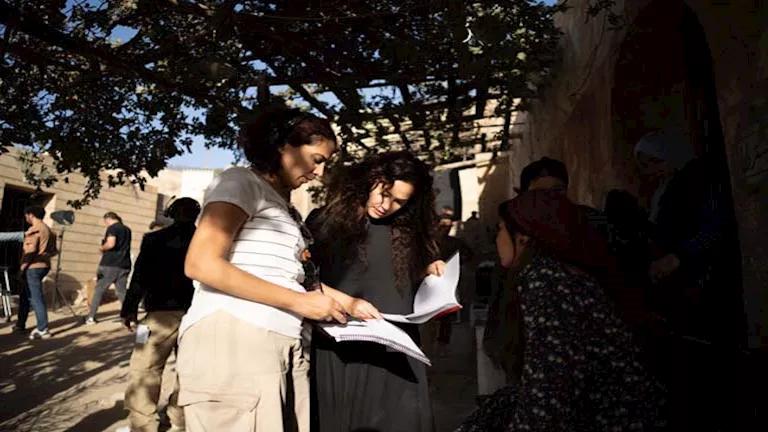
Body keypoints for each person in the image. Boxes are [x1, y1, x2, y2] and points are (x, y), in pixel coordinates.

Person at [176, 107, 376, 432]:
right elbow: (201, 263)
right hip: (236, 340)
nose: (320, 172)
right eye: (316, 159)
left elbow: (286, 276)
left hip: (282, 341)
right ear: (282, 145)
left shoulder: (281, 204)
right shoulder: (240, 181)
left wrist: (349, 303)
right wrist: (299, 303)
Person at [458, 189, 665, 432]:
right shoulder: (558, 274)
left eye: (501, 229)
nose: (496, 238)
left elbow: (549, 389)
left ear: (523, 238)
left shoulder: (545, 280)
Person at [307, 151, 445, 432]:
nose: (387, 206)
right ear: (370, 181)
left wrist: (427, 270)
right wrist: (347, 302)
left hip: (396, 350)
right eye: (384, 194)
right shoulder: (325, 222)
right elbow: (303, 279)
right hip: (342, 347)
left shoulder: (410, 232)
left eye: (399, 202)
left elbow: (391, 277)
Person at [633, 130, 744, 430]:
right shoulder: (665, 191)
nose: (649, 171)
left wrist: (679, 257)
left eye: (654, 162)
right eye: (644, 165)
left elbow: (714, 228)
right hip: (676, 291)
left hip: (702, 284)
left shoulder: (697, 182)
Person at [119, 198, 201, 432]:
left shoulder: (154, 239)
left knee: (143, 369)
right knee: (189, 372)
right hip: (196, 315)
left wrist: (129, 309)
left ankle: (143, 424)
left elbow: (139, 277)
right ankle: (179, 419)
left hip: (157, 317)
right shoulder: (207, 240)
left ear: (170, 213)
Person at [15, 205, 57, 339]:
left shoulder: (35, 229)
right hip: (43, 265)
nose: (25, 218)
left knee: (35, 297)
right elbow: (54, 251)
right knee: (25, 295)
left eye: (26, 215)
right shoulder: (49, 231)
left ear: (31, 215)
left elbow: (30, 251)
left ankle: (42, 329)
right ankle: (20, 324)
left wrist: (22, 268)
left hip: (33, 266)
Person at [86, 212, 132, 324]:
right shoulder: (127, 230)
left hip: (110, 264)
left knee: (99, 290)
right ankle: (129, 316)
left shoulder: (113, 228)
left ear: (108, 219)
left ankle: (91, 317)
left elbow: (111, 244)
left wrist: (102, 248)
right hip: (124, 264)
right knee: (122, 292)